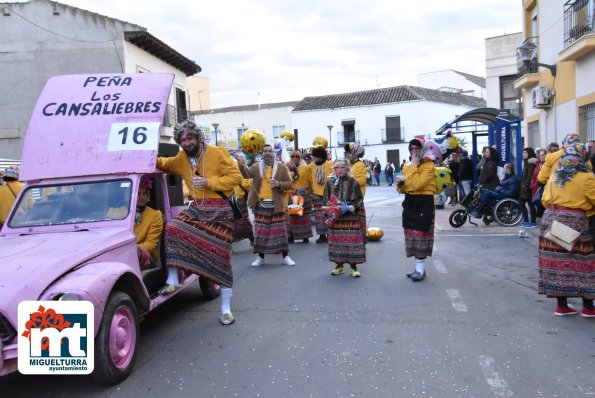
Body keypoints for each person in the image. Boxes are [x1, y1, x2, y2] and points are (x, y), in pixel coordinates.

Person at [156, 120, 241, 325]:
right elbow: (164, 164)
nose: (186, 142)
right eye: (182, 139)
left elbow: (236, 177)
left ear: (197, 137)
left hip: (220, 209)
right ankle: (173, 280)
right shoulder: (181, 158)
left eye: (190, 138)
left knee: (220, 256)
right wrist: (140, 154)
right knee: (173, 228)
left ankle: (226, 308)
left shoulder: (217, 152)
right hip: (197, 208)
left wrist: (209, 182)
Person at [538, 135, 594, 317]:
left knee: (557, 264)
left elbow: (545, 200)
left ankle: (561, 305)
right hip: (575, 223)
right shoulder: (586, 177)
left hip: (551, 222)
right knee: (583, 263)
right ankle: (588, 307)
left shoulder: (555, 176)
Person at [247, 144, 295, 266]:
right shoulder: (256, 167)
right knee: (260, 233)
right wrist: (242, 163)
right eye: (265, 151)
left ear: (273, 153)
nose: (267, 153)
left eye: (270, 151)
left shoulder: (282, 167)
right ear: (262, 153)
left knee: (281, 232)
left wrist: (279, 184)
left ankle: (286, 256)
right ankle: (260, 258)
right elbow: (245, 175)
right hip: (261, 205)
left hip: (277, 204)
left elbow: (290, 184)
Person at [396, 139, 436, 282]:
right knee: (411, 233)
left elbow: (418, 184)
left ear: (422, 149)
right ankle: (419, 268)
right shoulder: (407, 166)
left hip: (424, 201)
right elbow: (405, 187)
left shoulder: (429, 165)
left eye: (417, 148)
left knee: (421, 234)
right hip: (410, 201)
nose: (414, 151)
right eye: (411, 148)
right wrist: (400, 185)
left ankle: (420, 269)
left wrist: (413, 166)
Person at [324, 160, 366, 277]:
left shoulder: (353, 182)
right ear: (334, 169)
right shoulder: (329, 182)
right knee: (337, 242)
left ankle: (354, 267)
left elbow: (359, 198)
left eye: (343, 167)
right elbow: (325, 199)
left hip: (350, 217)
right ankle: (339, 266)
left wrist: (353, 206)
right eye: (338, 168)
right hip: (336, 219)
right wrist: (329, 212)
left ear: (347, 169)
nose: (340, 170)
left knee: (353, 241)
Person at [134, 175, 163, 270]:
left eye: (144, 194)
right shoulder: (115, 212)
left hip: (145, 254)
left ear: (148, 196)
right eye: (138, 194)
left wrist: (131, 250)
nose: (141, 197)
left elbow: (151, 244)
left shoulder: (155, 215)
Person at [287, 151, 313, 243]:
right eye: (292, 156)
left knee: (304, 216)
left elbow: (310, 180)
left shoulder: (305, 167)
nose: (295, 158)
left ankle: (305, 236)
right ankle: (291, 237)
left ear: (300, 157)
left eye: (297, 156)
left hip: (303, 194)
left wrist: (309, 191)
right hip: (291, 194)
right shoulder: (287, 167)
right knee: (292, 216)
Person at [309, 147, 334, 243]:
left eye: (314, 156)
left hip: (329, 194)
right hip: (316, 194)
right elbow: (308, 178)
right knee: (319, 217)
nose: (313, 158)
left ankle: (330, 235)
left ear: (319, 157)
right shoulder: (311, 166)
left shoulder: (330, 164)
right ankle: (322, 236)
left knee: (329, 215)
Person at [344, 143, 368, 239]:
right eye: (348, 151)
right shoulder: (350, 164)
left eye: (351, 151)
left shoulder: (360, 164)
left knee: (357, 222)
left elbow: (362, 181)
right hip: (349, 196)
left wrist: (349, 177)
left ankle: (360, 241)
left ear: (357, 152)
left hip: (357, 198)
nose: (349, 153)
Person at [231, 152, 254, 245]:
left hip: (237, 197)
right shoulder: (240, 166)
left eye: (238, 156)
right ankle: (249, 237)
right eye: (235, 156)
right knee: (238, 219)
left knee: (240, 220)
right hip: (234, 197)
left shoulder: (241, 166)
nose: (236, 158)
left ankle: (249, 237)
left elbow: (247, 182)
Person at [519, 148, 538, 228]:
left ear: (529, 153)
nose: (523, 154)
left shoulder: (530, 163)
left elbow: (530, 177)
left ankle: (532, 222)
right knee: (525, 204)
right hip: (525, 187)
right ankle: (527, 221)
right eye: (523, 152)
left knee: (529, 204)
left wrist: (525, 187)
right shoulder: (527, 163)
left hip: (528, 188)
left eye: (525, 152)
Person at [531, 149, 547, 218]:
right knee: (537, 203)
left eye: (543, 155)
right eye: (540, 155)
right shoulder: (538, 164)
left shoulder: (547, 164)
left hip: (544, 187)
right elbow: (533, 176)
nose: (541, 157)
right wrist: (532, 185)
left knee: (542, 204)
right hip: (536, 188)